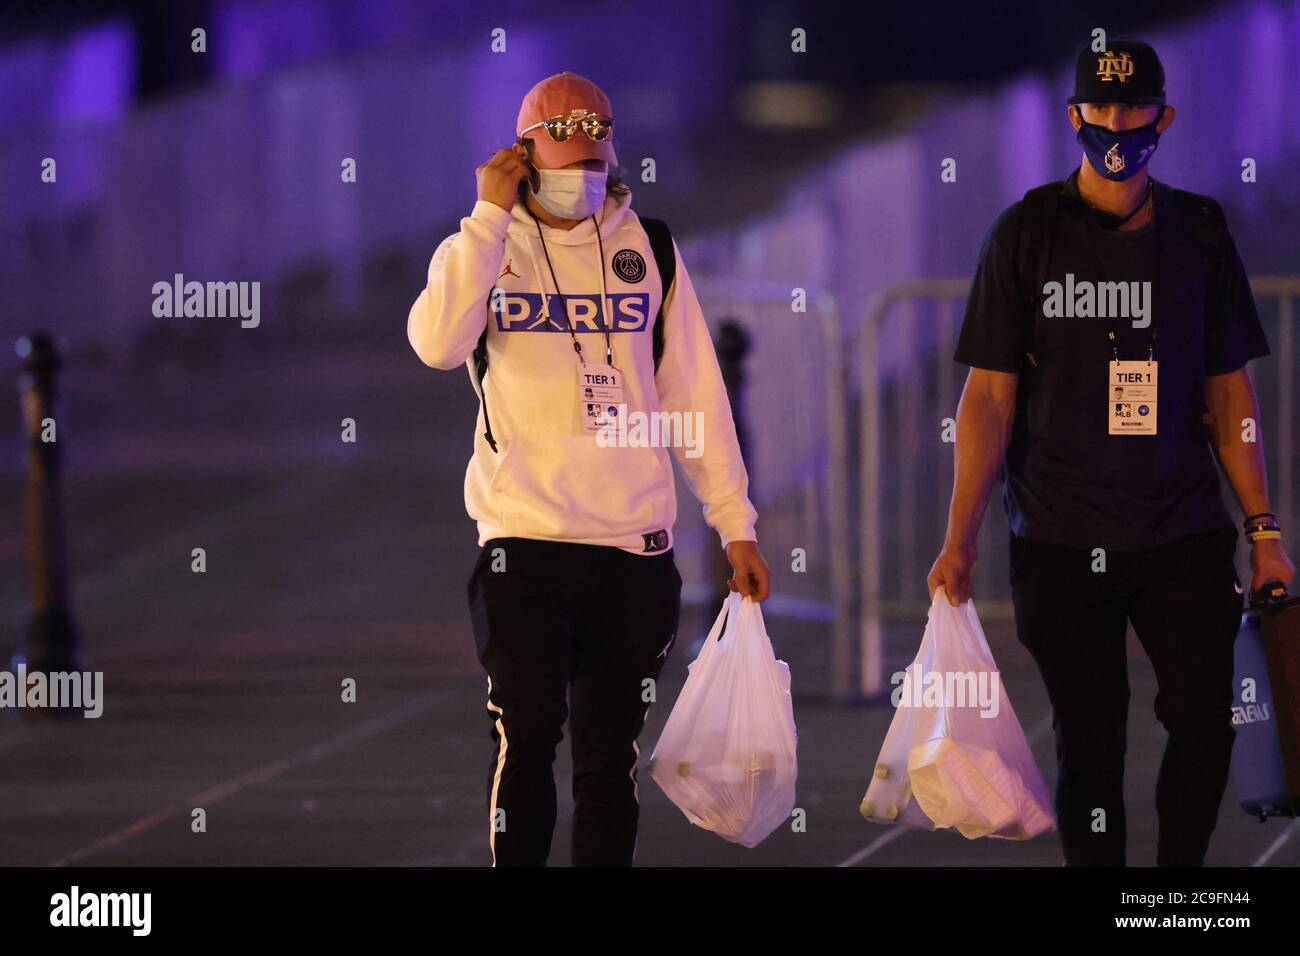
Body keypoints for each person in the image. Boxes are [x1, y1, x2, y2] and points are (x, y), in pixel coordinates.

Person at [927, 39, 1295, 866]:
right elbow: (987, 397)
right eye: (1102, 109)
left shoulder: (1200, 233)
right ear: (1075, 118)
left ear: (1164, 117)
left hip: (1182, 530)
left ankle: (1171, 896)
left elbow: (1229, 392)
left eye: (1136, 110)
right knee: (1089, 745)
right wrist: (958, 540)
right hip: (1060, 536)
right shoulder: (1025, 235)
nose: (1119, 125)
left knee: (1205, 727)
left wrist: (1263, 530)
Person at [407, 71, 770, 866]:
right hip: (524, 544)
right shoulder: (482, 247)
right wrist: (486, 218)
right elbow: (435, 344)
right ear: (524, 158)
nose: (584, 181)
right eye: (567, 164)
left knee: (609, 762)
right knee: (528, 739)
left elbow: (696, 397)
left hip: (633, 551)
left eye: (595, 162)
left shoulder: (654, 249)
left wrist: (734, 523)